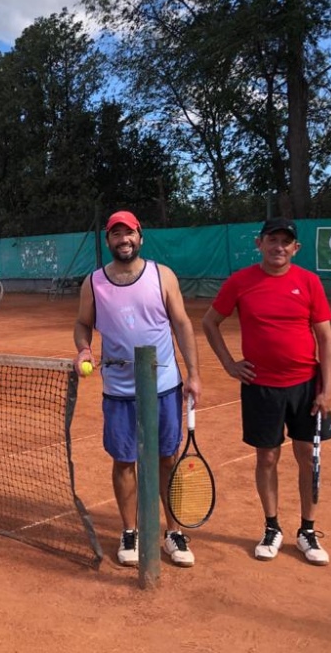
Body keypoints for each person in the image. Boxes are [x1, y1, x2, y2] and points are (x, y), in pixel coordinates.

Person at [201, 216, 331, 566]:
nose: (278, 247)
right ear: (259, 244)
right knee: (268, 457)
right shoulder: (240, 281)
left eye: (285, 241)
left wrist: (327, 390)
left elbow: (325, 338)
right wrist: (230, 365)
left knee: (307, 456)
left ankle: (307, 530)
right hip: (261, 388)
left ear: (296, 248)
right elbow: (210, 322)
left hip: (306, 386)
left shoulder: (309, 282)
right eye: (271, 240)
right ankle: (272, 527)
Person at [73, 210, 203, 568]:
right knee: (124, 460)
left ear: (139, 237)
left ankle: (173, 532)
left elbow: (181, 323)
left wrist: (193, 373)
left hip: (163, 387)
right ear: (108, 240)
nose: (123, 239)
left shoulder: (163, 276)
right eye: (116, 234)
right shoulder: (94, 283)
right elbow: (83, 324)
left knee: (166, 458)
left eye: (128, 233)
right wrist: (83, 348)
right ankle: (129, 531)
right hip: (118, 390)